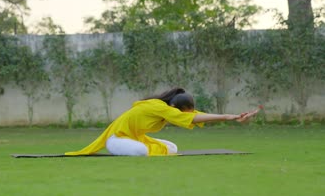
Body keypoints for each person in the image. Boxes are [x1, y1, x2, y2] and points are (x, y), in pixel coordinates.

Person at [65, 87, 258, 156]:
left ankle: (133, 149)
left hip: (134, 138)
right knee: (141, 152)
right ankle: (122, 150)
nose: (187, 116)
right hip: (116, 140)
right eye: (184, 113)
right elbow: (192, 117)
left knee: (172, 147)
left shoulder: (167, 109)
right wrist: (227, 117)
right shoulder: (159, 107)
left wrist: (231, 116)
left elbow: (196, 115)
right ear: (175, 108)